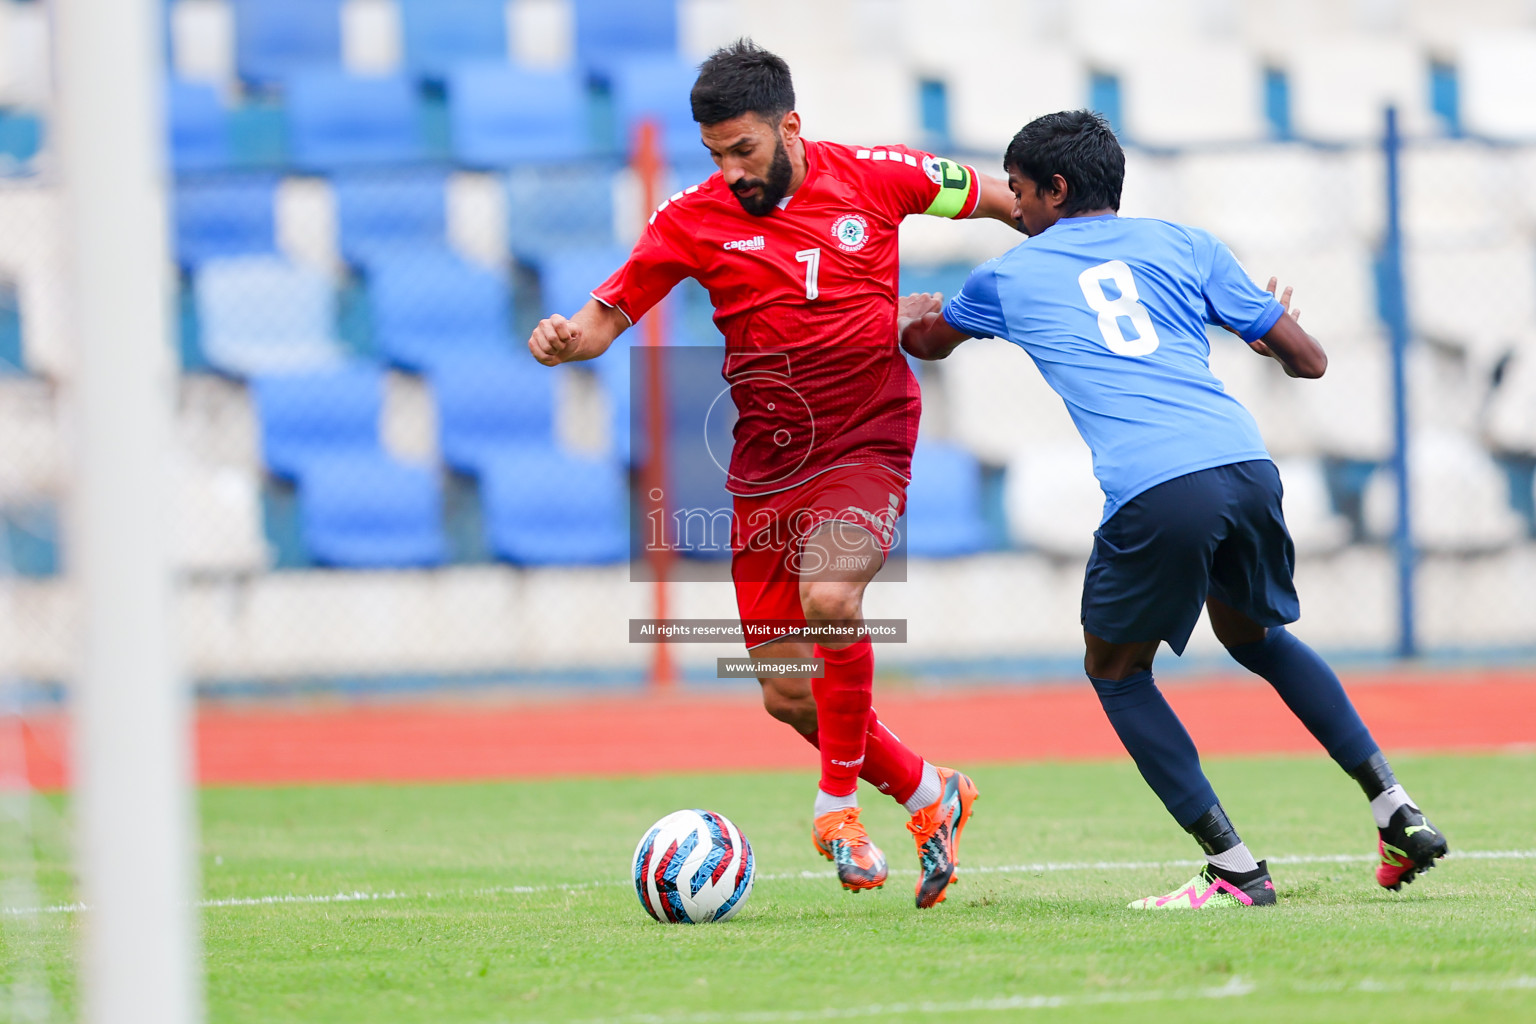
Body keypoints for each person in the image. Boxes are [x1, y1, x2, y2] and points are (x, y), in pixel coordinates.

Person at [899, 109, 1448, 909]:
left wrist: (906, 312)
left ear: (1055, 189)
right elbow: (1310, 361)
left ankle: (1234, 870)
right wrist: (1259, 337)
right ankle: (1394, 806)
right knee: (1255, 636)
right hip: (1246, 465)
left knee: (1116, 672)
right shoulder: (1187, 244)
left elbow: (927, 343)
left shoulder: (1007, 276)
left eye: (1019, 194)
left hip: (1159, 486)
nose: (1014, 211)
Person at [528, 40, 1020, 908]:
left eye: (742, 150)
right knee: (790, 695)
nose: (729, 170)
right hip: (764, 468)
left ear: (789, 126)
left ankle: (836, 808)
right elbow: (607, 316)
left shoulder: (880, 176)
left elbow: (1002, 199)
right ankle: (929, 791)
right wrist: (567, 340)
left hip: (867, 439)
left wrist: (1078, 239)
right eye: (713, 153)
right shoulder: (692, 216)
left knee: (832, 600)